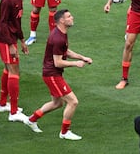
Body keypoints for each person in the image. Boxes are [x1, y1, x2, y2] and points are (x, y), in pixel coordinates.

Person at [24, 9, 93, 140]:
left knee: (57, 103)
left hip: (51, 73)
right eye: (69, 16)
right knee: (73, 102)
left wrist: (82, 57)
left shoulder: (61, 33)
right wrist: (75, 64)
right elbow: (58, 62)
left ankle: (31, 120)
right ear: (62, 20)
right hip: (52, 75)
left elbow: (65, 51)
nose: (72, 18)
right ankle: (64, 132)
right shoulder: (57, 38)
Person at [0, 0, 29, 122]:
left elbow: (17, 21)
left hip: (12, 38)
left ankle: (3, 104)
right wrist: (10, 44)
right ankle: (13, 112)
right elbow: (2, 24)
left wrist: (22, 40)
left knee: (7, 69)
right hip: (5, 38)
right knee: (14, 70)